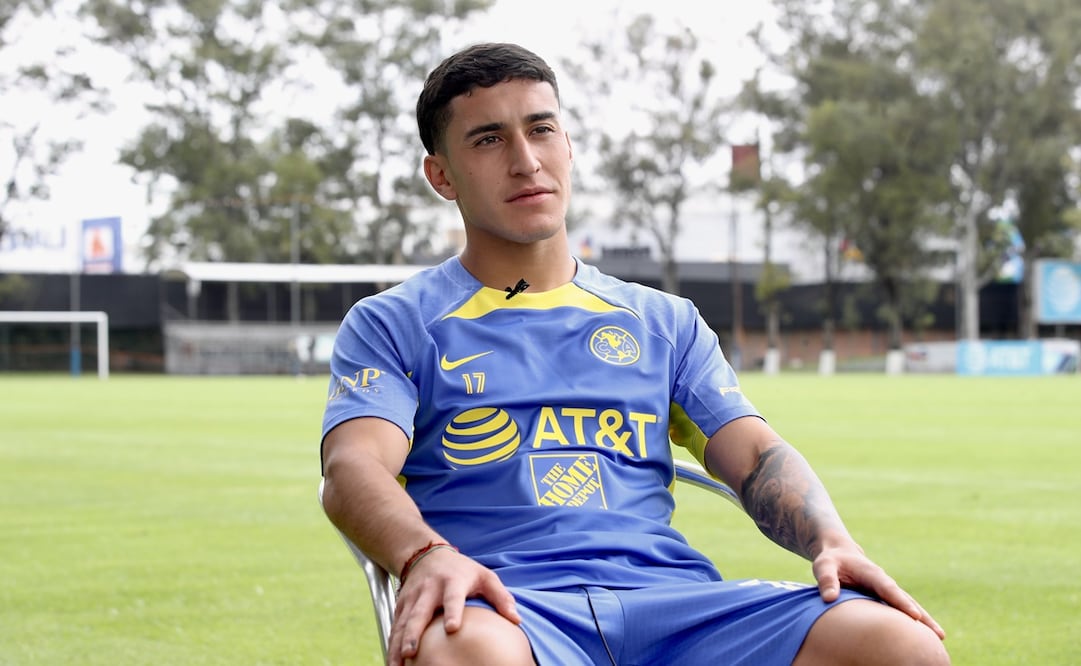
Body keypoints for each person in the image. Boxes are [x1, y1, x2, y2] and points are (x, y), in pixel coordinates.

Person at [320, 42, 950, 666]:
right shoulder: (394, 322)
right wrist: (426, 556)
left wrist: (831, 540)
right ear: (442, 175)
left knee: (901, 646)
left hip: (678, 609)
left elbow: (754, 454)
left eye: (541, 130)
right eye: (488, 139)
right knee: (471, 656)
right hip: (508, 606)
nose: (526, 161)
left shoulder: (663, 322)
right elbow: (352, 469)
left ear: (567, 146)